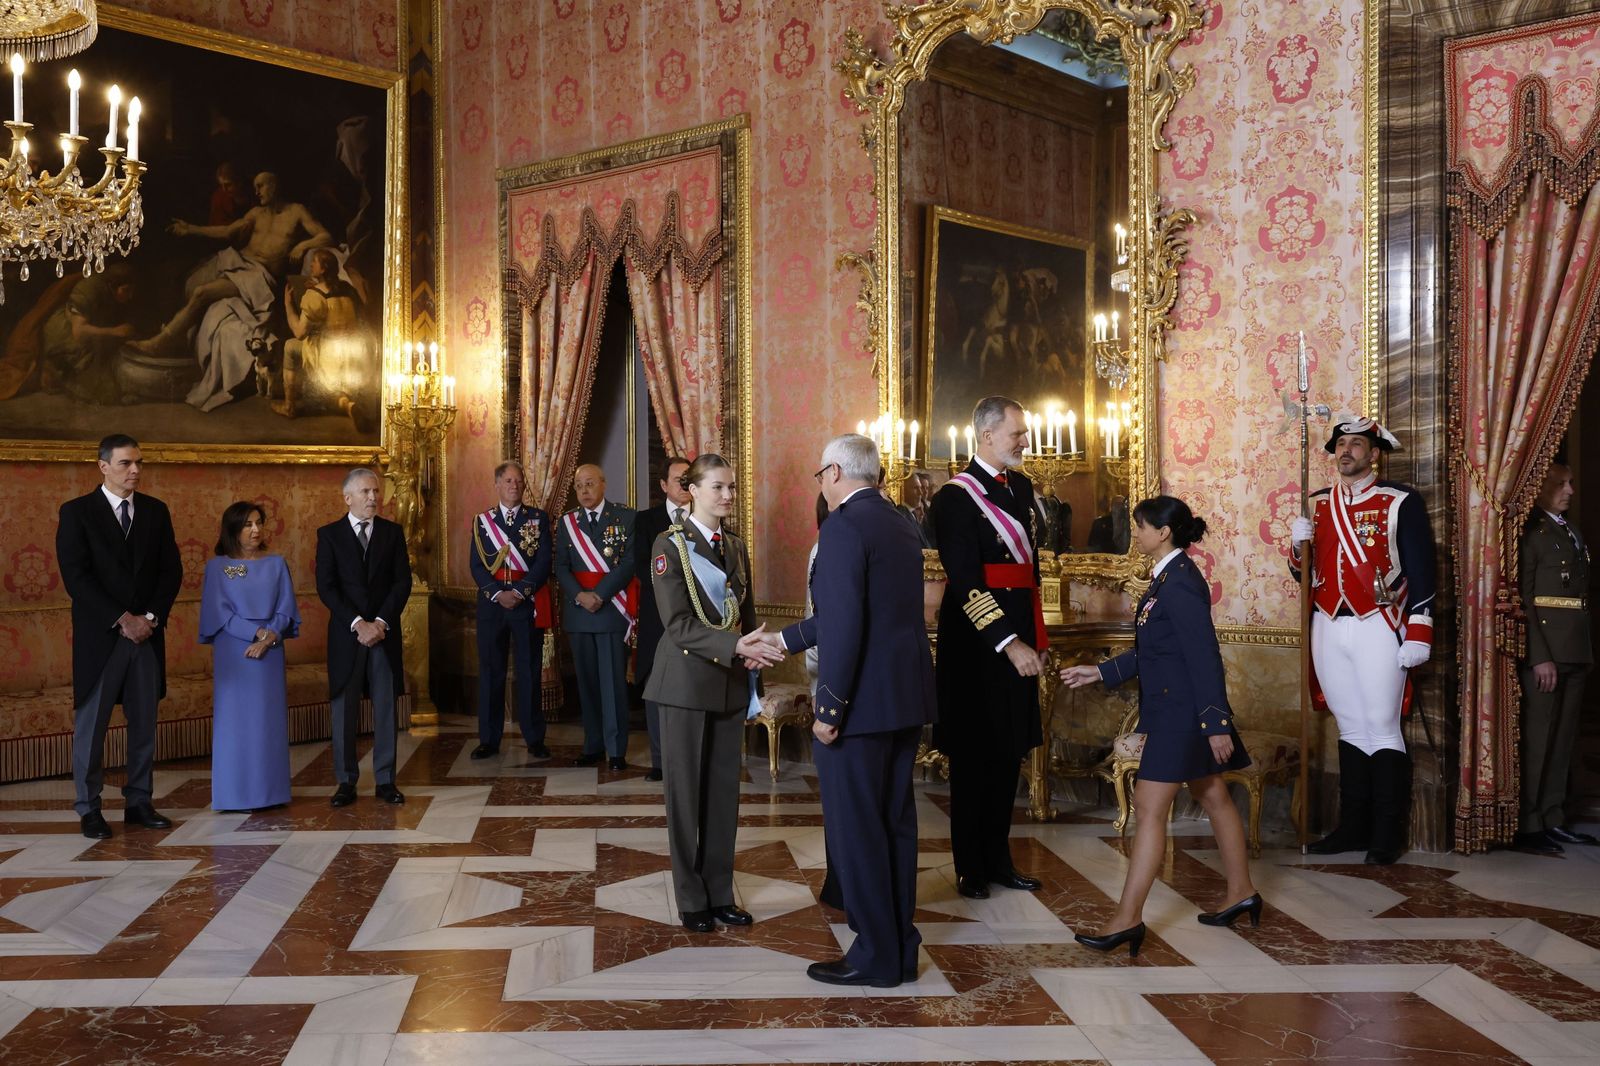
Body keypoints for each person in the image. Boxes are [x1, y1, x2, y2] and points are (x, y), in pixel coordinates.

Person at [1062, 496, 1258, 956]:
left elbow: (1203, 655)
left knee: (1149, 808)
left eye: (1141, 527)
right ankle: (1242, 891)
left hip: (1184, 716)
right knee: (1213, 795)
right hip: (1177, 712)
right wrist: (1101, 671)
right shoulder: (1166, 578)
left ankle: (1127, 919)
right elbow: (1157, 651)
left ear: (1163, 533)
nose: (1137, 535)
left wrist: (1216, 723)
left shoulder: (1179, 583)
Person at [777, 434, 937, 987]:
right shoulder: (900, 522)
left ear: (838, 471)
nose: (820, 483)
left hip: (860, 707)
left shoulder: (843, 527)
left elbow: (845, 625)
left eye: (822, 473)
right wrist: (785, 638)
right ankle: (900, 945)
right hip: (903, 699)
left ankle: (875, 955)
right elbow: (858, 611)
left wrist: (830, 706)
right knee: (894, 825)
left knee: (857, 832)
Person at [644, 454, 782, 932]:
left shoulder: (736, 548)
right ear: (692, 491)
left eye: (731, 487)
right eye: (718, 487)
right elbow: (679, 625)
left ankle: (720, 892)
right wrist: (735, 645)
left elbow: (741, 616)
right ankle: (691, 898)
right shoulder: (669, 545)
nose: (728, 495)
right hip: (684, 686)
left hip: (726, 683)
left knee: (723, 797)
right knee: (685, 798)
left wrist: (753, 662)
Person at [1289, 416, 1436, 865]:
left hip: (1379, 624)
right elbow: (1304, 576)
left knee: (1383, 727)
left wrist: (1419, 630)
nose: (1345, 451)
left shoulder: (1399, 501)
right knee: (1350, 726)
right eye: (1340, 445)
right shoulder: (1318, 504)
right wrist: (1297, 549)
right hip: (1328, 624)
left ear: (1374, 453)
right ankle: (1352, 827)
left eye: (1355, 444)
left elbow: (1423, 569)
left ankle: (1386, 834)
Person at [928, 396, 1045, 900]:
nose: (1024, 441)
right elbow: (966, 582)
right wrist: (1010, 642)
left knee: (1008, 755)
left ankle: (999, 859)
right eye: (1016, 433)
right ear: (986, 435)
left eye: (1023, 432)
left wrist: (1033, 637)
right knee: (975, 761)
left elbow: (1029, 574)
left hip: (1019, 632)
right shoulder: (953, 498)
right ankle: (969, 867)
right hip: (979, 647)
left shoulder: (1021, 487)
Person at [56, 434, 183, 839]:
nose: (135, 471)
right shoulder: (77, 513)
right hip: (102, 638)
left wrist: (148, 617)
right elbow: (76, 577)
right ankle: (89, 808)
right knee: (91, 729)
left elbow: (170, 572)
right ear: (103, 466)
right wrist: (121, 618)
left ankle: (139, 801)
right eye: (127, 463)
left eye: (139, 463)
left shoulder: (156, 511)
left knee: (144, 723)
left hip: (146, 636)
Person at [315, 467, 412, 806]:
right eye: (367, 492)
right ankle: (346, 781)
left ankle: (386, 780)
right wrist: (359, 623)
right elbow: (326, 588)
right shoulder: (329, 535)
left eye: (376, 491)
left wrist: (381, 623)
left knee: (385, 707)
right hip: (348, 636)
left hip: (383, 635)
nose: (374, 497)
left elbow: (403, 583)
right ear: (348, 498)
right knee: (343, 710)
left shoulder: (392, 533)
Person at [1515, 462, 1598, 853]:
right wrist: (1539, 655)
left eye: (1569, 483)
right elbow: (1525, 598)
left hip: (1575, 649)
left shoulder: (1570, 531)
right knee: (1538, 738)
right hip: (1547, 651)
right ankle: (1529, 824)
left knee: (1563, 740)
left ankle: (1552, 817)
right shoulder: (1532, 532)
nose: (1570, 490)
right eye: (1560, 484)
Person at [200, 502, 300, 811]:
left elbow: (286, 608)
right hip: (235, 651)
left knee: (266, 723)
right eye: (247, 524)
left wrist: (270, 636)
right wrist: (257, 635)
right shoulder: (220, 567)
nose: (256, 530)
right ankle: (235, 795)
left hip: (270, 652)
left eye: (258, 523)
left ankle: (271, 793)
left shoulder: (276, 564)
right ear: (232, 530)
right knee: (237, 725)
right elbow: (220, 613)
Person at [555, 463, 639, 770]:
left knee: (613, 683)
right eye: (579, 486)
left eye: (590, 484)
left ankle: (616, 749)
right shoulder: (567, 523)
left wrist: (599, 595)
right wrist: (580, 595)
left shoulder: (626, 517)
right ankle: (592, 745)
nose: (585, 491)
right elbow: (561, 567)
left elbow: (629, 562)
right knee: (587, 683)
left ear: (603, 484)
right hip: (579, 613)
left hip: (611, 611)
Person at [468, 460, 552, 761]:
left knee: (529, 671)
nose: (514, 486)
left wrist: (518, 592)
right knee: (491, 671)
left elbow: (543, 563)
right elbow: (477, 566)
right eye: (508, 481)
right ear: (497, 484)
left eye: (518, 481)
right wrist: (496, 594)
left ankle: (534, 737)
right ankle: (489, 739)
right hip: (492, 607)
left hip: (524, 603)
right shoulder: (482, 522)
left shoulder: (537, 519)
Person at [633, 455, 692, 782]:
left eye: (689, 479)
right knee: (656, 686)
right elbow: (643, 566)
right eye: (679, 479)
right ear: (663, 485)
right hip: (657, 615)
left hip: (697, 618)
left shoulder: (705, 516)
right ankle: (659, 760)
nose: (684, 485)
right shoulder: (646, 521)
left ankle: (688, 757)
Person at [274, 247, 370, 431]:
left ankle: (289, 407)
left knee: (290, 346)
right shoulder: (347, 289)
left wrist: (287, 304)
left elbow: (299, 332)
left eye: (314, 262)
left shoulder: (314, 297)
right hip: (351, 353)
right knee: (336, 396)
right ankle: (351, 407)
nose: (311, 264)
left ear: (323, 268)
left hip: (327, 354)